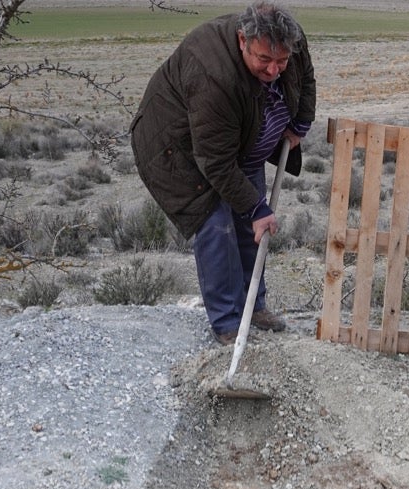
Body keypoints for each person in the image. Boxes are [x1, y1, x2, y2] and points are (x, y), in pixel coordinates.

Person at [130, 2, 317, 344]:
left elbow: (304, 77)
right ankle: (228, 322)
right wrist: (256, 208)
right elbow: (215, 161)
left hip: (240, 140)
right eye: (264, 60)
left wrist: (300, 121)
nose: (275, 70)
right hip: (179, 150)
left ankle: (253, 305)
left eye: (281, 61)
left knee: (252, 225)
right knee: (218, 226)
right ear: (242, 40)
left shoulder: (288, 39)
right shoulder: (213, 74)